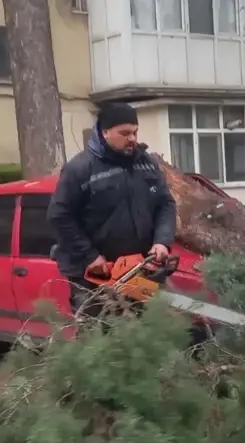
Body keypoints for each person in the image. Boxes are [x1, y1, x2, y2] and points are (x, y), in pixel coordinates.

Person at [47, 102, 177, 319]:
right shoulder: (80, 169)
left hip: (140, 268)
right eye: (124, 133)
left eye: (135, 132)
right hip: (96, 276)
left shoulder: (146, 164)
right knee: (100, 338)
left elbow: (166, 204)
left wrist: (162, 241)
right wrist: (90, 256)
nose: (132, 139)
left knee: (149, 332)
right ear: (104, 132)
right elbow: (59, 216)